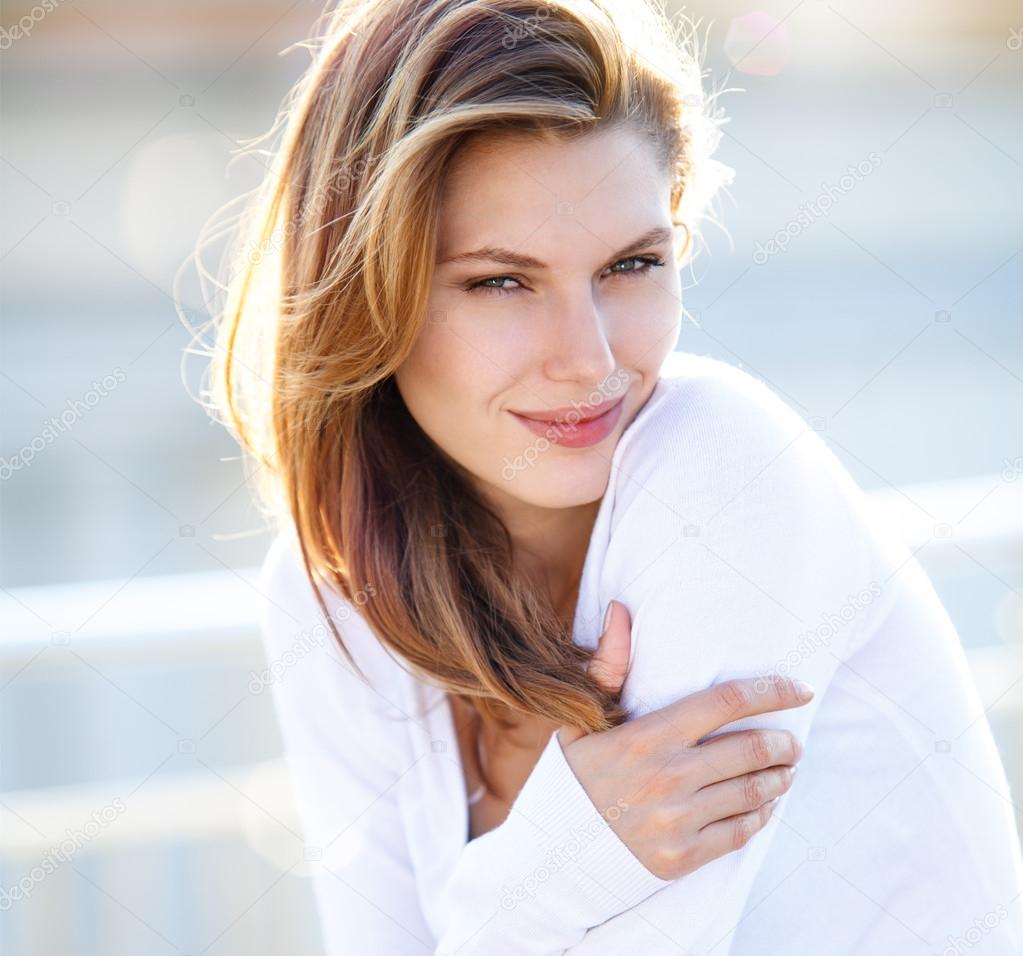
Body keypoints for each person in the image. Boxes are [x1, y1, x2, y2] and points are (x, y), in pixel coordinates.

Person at [201, 0, 1023, 952]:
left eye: (630, 264)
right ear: (363, 295)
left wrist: (542, 870)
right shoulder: (331, 590)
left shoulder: (724, 468)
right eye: (500, 281)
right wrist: (565, 856)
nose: (589, 361)